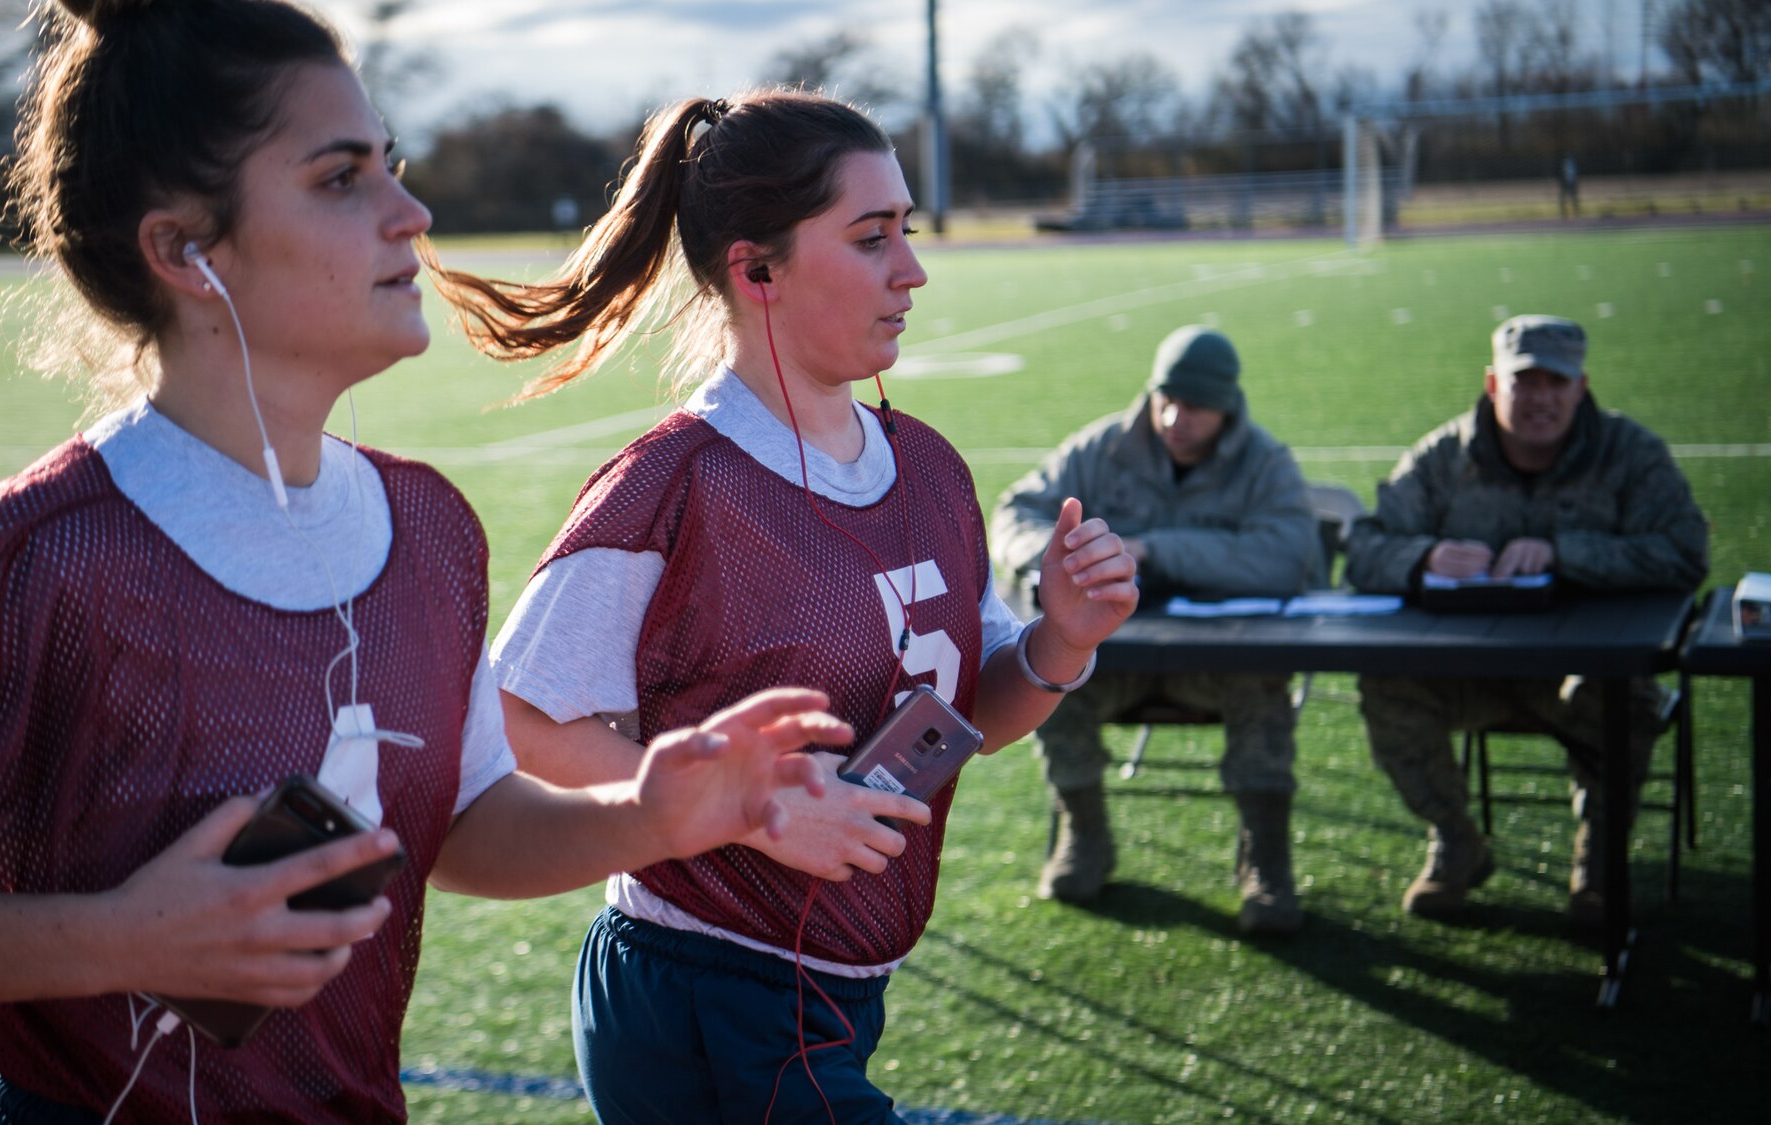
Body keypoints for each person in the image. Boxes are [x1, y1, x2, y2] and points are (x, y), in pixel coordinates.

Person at [0, 4, 851, 1122]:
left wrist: (655, 814)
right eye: (342, 178)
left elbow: (465, 819)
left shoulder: (428, 528)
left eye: (391, 163)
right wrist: (111, 939)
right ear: (184, 249)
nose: (411, 213)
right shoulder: (27, 574)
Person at [429, 90, 1139, 1123]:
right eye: (870, 238)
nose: (913, 268)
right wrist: (746, 808)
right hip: (703, 990)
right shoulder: (673, 484)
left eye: (905, 229)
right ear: (755, 270)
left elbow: (964, 721)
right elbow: (522, 716)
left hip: (843, 990)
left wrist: (1059, 639)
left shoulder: (928, 468)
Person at [1346, 314, 1708, 922]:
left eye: (1555, 384)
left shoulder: (1629, 453)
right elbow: (1362, 548)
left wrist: (1567, 553)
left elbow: (1685, 552)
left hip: (1584, 670)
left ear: (1581, 387)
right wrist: (1424, 556)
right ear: (1493, 385)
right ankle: (1456, 841)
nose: (1540, 399)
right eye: (1524, 384)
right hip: (1468, 670)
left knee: (1627, 700)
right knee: (1386, 685)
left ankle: (1598, 857)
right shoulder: (1442, 456)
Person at [990, 326, 1317, 933]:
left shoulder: (1263, 462)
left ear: (1225, 406)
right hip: (1111, 661)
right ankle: (1084, 837)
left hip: (1219, 665)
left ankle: (1265, 863)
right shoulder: (1104, 446)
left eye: (1193, 404)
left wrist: (1153, 551)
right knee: (1051, 683)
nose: (1174, 415)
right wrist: (1063, 558)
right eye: (1165, 397)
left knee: (1263, 695)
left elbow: (1289, 555)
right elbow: (1015, 513)